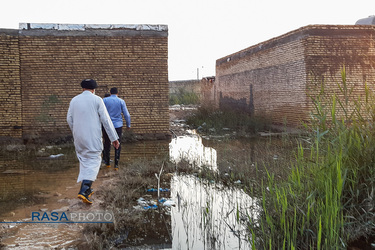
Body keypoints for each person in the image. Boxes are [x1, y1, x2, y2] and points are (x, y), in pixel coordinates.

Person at [67, 79, 120, 204]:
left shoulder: (74, 100)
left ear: (82, 89)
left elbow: (69, 119)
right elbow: (106, 120)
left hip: (79, 137)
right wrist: (114, 138)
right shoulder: (97, 100)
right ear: (94, 89)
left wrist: (76, 131)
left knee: (84, 160)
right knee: (95, 160)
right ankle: (84, 189)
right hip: (92, 136)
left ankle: (88, 189)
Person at [103, 87, 131, 170]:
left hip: (107, 125)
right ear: (117, 93)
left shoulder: (104, 100)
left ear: (110, 93)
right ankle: (116, 165)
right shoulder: (121, 101)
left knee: (107, 143)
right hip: (117, 125)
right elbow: (127, 115)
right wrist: (128, 125)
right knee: (118, 144)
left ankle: (107, 163)